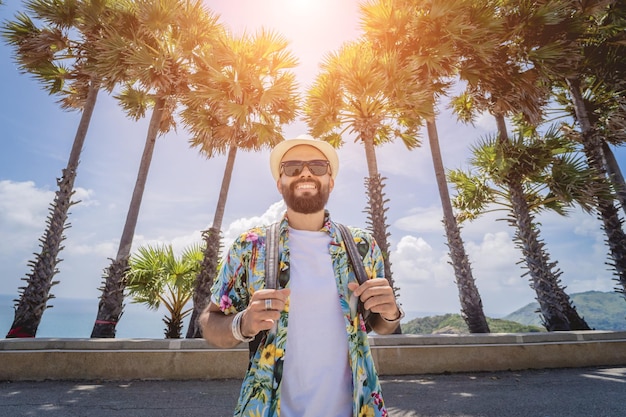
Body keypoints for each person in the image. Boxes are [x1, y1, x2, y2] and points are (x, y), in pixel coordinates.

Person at [199, 136, 404, 417]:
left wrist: (391, 312)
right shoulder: (250, 245)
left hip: (358, 408)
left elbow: (381, 324)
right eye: (292, 167)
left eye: (318, 166)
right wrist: (243, 323)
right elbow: (210, 322)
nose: (305, 172)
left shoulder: (362, 245)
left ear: (330, 182)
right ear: (280, 182)